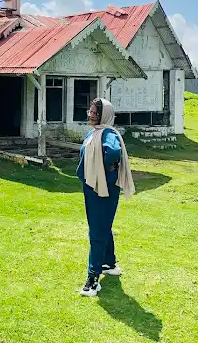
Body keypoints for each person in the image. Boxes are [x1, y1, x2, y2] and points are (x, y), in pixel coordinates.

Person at [76, 97, 135, 297]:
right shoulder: (94, 132)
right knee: (101, 226)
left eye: (95, 112)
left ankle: (92, 279)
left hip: (103, 189)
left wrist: (105, 171)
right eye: (91, 111)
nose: (91, 115)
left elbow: (114, 151)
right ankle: (109, 263)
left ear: (105, 115)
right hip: (91, 187)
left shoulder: (108, 134)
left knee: (96, 232)